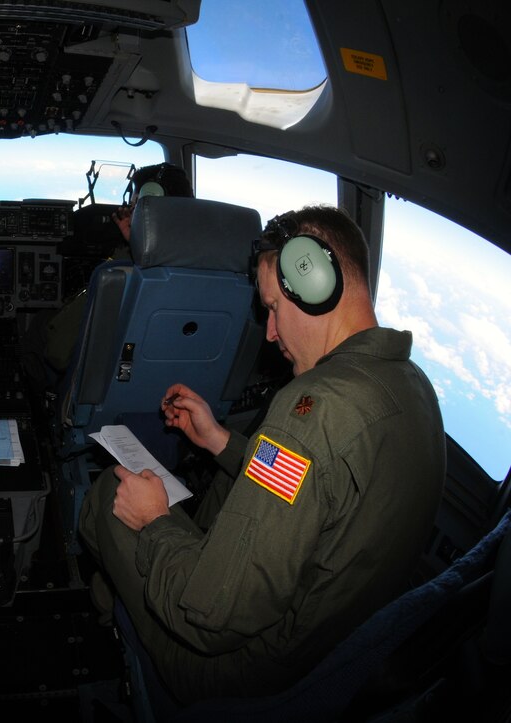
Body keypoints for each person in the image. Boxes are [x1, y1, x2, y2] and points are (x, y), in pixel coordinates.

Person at [78, 204, 446, 705]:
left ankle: (112, 599)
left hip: (232, 667)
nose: (270, 334)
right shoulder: (412, 385)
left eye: (272, 307)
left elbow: (209, 617)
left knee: (106, 495)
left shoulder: (314, 407)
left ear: (313, 280)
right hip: (320, 649)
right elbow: (314, 483)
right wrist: (217, 439)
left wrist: (155, 521)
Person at [21, 162, 194, 392]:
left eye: (134, 206)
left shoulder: (118, 275)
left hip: (104, 388)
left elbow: (58, 353)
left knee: (41, 325)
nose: (131, 211)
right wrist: (134, 241)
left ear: (150, 208)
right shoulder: (218, 271)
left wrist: (125, 252)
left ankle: (41, 410)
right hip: (168, 386)